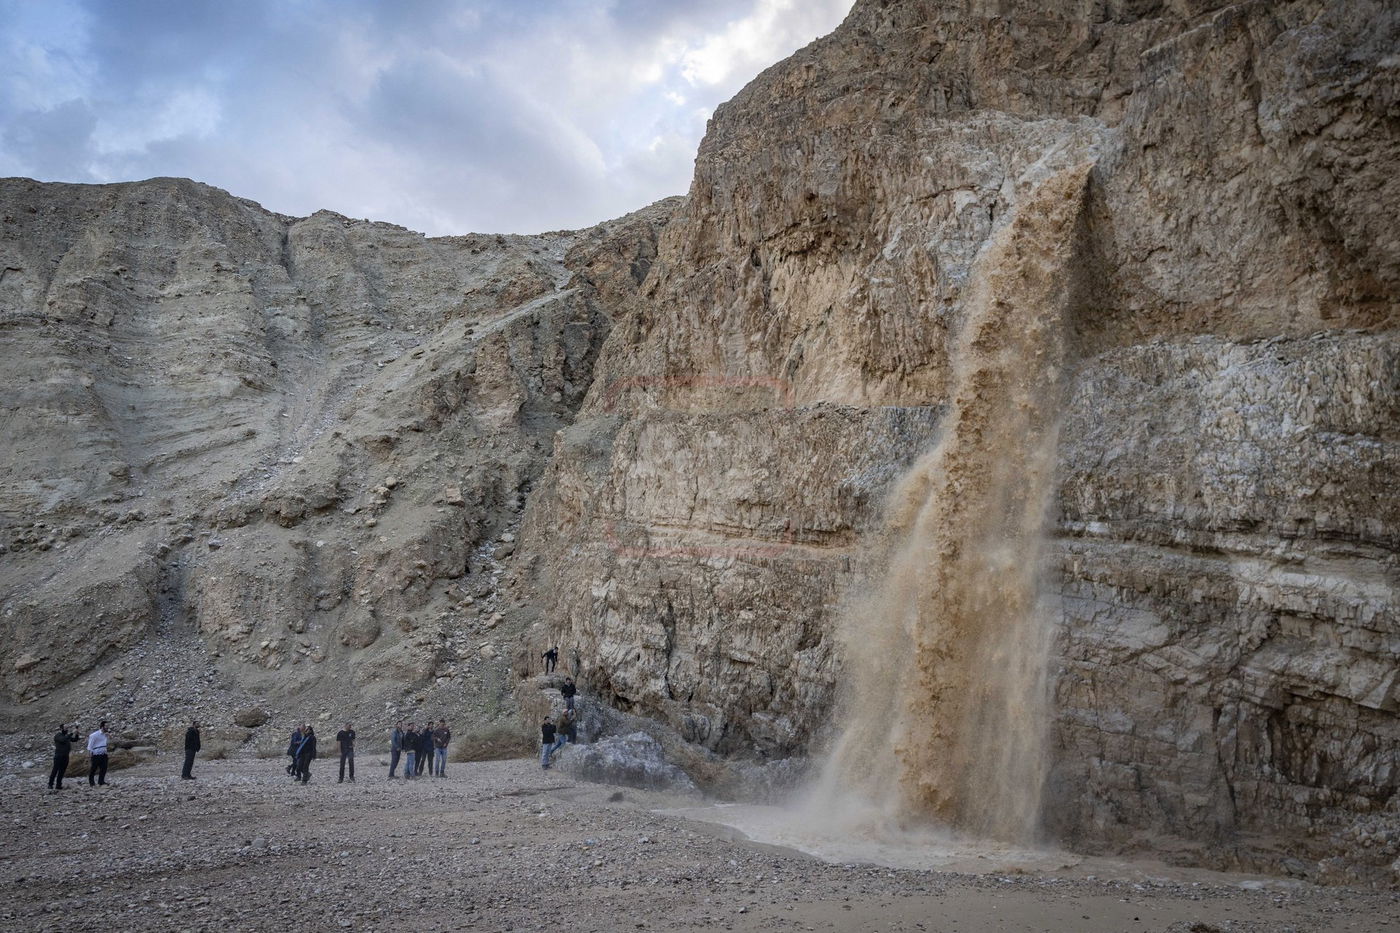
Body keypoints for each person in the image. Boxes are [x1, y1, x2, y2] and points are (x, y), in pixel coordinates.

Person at [49, 723, 79, 790]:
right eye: (65, 728)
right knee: (55, 770)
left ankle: (58, 785)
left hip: (65, 756)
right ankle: (50, 784)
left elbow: (75, 740)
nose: (67, 729)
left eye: (67, 728)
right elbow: (63, 740)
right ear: (61, 728)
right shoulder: (58, 735)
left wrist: (76, 733)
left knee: (62, 771)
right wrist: (71, 733)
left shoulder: (66, 735)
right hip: (58, 756)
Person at [87, 721, 110, 786]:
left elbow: (107, 743)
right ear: (102, 727)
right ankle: (92, 783)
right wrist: (89, 755)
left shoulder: (106, 734)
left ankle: (101, 781)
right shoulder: (94, 735)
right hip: (96, 754)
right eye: (106, 726)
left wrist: (109, 737)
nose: (108, 727)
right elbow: (90, 746)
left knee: (104, 768)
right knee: (93, 769)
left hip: (104, 754)